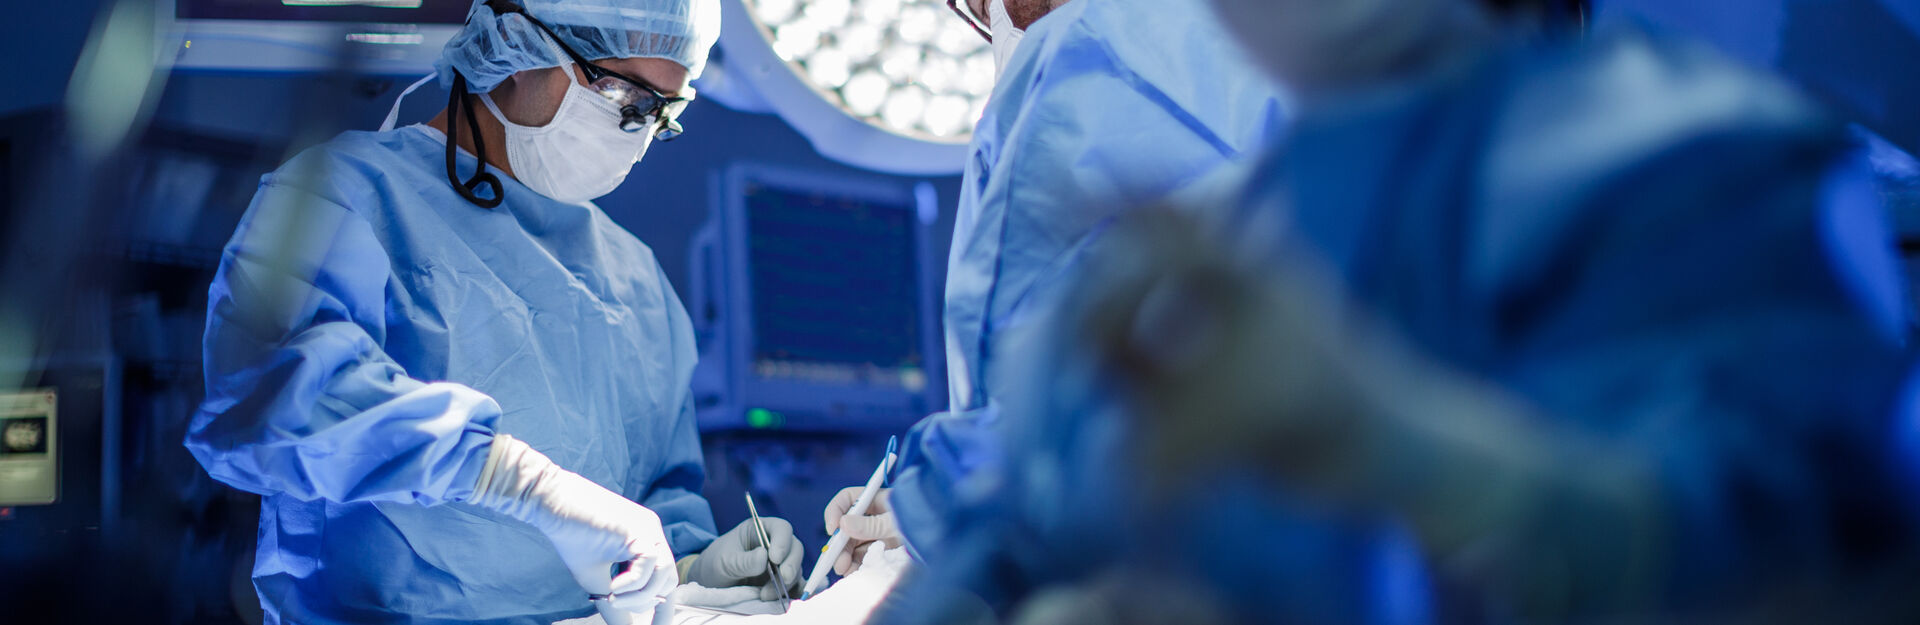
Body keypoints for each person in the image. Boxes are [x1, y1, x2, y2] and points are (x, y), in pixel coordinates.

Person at [953, 0, 1920, 622]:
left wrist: (1438, 468)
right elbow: (1019, 527)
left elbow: (1795, 524)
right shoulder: (1221, 232)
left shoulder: (1710, 169)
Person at [183, 1, 802, 623]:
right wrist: (517, 482)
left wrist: (692, 565)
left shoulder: (633, 275)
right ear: (520, 48)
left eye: (663, 113)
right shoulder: (342, 196)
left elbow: (658, 495)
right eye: (624, 95)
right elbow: (265, 399)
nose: (639, 131)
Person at [821, 0, 1287, 582]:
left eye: (973, 8)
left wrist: (936, 508)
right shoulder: (1263, 50)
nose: (983, 20)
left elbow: (1073, 403)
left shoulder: (1085, 60)